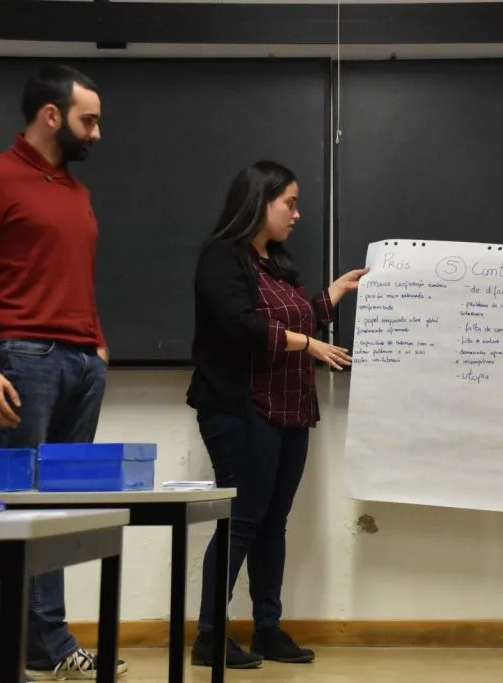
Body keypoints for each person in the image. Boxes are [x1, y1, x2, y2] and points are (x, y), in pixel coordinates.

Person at [0, 65, 127, 683]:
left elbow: (76, 278)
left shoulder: (76, 192)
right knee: (6, 509)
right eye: (87, 120)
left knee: (60, 515)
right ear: (52, 116)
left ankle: (47, 643)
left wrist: (95, 345)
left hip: (80, 366)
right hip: (21, 361)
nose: (97, 133)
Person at [186, 161, 367, 669]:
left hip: (289, 410)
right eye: (289, 202)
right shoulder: (222, 258)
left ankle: (268, 628)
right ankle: (209, 636)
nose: (297, 212)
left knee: (273, 523)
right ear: (259, 202)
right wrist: (308, 343)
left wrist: (333, 294)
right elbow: (239, 327)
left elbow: (293, 319)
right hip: (242, 409)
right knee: (242, 521)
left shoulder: (274, 262)